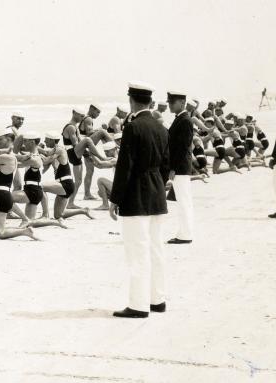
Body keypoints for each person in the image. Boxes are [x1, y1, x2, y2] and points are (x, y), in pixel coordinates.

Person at [109, 81, 170, 319]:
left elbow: (125, 167)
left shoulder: (133, 127)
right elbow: (166, 166)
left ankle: (138, 305)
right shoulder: (161, 128)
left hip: (136, 194)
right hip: (156, 194)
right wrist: (158, 184)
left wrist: (115, 198)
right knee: (156, 249)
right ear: (149, 101)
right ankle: (158, 299)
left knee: (137, 251)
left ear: (132, 101)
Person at [165, 91, 195, 245]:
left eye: (172, 102)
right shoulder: (181, 119)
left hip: (181, 168)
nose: (169, 105)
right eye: (169, 102)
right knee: (183, 201)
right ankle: (184, 232)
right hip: (180, 167)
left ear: (182, 103)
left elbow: (183, 149)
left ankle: (185, 235)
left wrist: (173, 168)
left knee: (184, 201)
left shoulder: (185, 121)